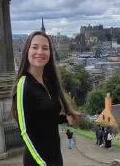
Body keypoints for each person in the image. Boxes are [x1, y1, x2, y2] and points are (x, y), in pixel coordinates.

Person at [11, 31, 81, 166]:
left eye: (45, 48)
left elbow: (46, 117)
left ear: (50, 53)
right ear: (27, 51)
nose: (40, 52)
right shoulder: (24, 85)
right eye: (35, 47)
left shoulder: (48, 82)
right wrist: (42, 163)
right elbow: (25, 132)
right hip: (38, 161)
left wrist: (65, 118)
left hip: (55, 156)